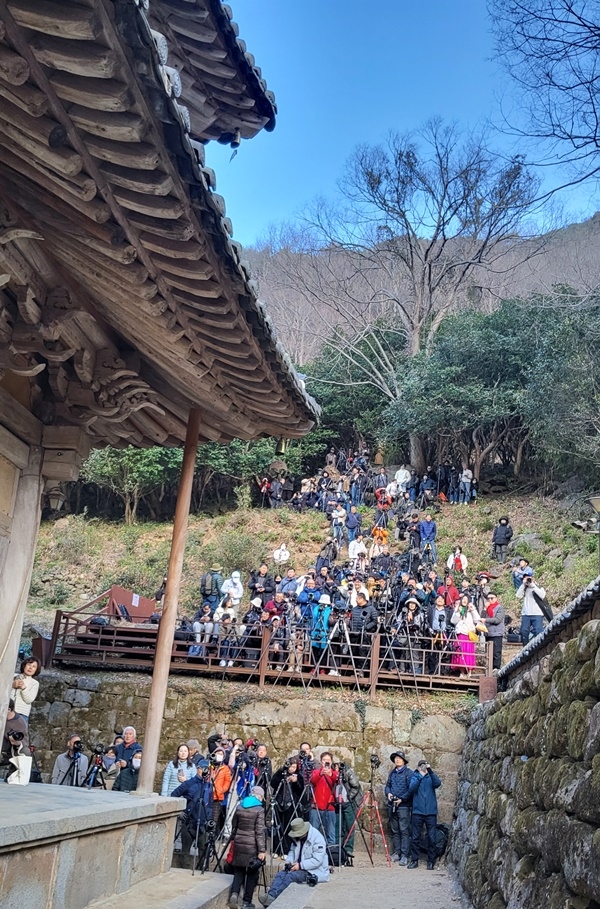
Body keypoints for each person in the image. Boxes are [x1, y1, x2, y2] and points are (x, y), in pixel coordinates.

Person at [259, 818, 329, 907]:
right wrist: (289, 862)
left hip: (313, 870)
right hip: (298, 866)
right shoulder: (297, 838)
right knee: (281, 874)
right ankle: (271, 896)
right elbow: (292, 852)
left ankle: (273, 898)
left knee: (291, 876)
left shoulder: (317, 838)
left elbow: (317, 861)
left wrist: (300, 865)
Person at [228, 785, 267, 909]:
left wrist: (233, 839)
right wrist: (261, 850)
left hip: (239, 843)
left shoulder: (240, 806)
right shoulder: (259, 810)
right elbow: (259, 832)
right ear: (260, 796)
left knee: (238, 871)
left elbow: (234, 825)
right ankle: (246, 902)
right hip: (252, 846)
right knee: (252, 873)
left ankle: (234, 894)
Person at [171, 758, 212, 865]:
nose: (205, 771)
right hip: (188, 822)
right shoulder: (188, 783)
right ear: (197, 769)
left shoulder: (209, 786)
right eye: (202, 768)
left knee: (203, 851)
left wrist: (209, 819)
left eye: (207, 769)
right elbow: (173, 795)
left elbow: (210, 805)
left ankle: (202, 870)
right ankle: (183, 871)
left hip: (203, 824)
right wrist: (179, 812)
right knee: (185, 851)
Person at [407, 759, 442, 870]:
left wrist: (430, 771)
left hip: (431, 812)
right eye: (421, 766)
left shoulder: (431, 777)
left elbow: (438, 783)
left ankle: (431, 861)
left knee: (432, 838)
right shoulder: (415, 776)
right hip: (417, 812)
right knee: (415, 837)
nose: (423, 767)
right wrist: (420, 776)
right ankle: (414, 860)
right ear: (418, 767)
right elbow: (412, 788)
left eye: (425, 765)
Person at [271, 756, 305, 857]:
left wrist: (295, 782)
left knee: (288, 827)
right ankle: (276, 849)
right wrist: (281, 773)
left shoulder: (299, 776)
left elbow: (300, 790)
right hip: (279, 802)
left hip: (291, 804)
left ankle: (285, 850)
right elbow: (273, 783)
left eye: (294, 767)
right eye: (291, 766)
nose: (292, 769)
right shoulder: (281, 773)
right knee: (277, 826)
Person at [385, 751, 413, 865]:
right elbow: (388, 786)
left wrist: (402, 799)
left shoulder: (409, 773)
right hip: (392, 805)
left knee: (404, 830)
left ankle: (404, 855)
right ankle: (397, 852)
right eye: (396, 758)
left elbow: (411, 789)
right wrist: (388, 793)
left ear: (403, 761)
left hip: (404, 806)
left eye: (400, 758)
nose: (397, 760)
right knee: (395, 830)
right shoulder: (392, 773)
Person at [309, 751, 339, 845]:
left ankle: (331, 852)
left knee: (330, 834)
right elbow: (312, 780)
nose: (326, 761)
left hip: (330, 807)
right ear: (321, 761)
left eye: (328, 760)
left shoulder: (335, 773)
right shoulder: (316, 772)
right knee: (313, 833)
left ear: (331, 762)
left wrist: (331, 775)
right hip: (316, 807)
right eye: (324, 760)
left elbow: (338, 781)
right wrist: (320, 774)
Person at [450, 594, 481, 679]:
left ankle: (469, 671)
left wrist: (473, 610)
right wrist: (458, 612)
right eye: (463, 599)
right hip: (460, 633)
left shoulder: (471, 609)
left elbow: (477, 620)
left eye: (466, 599)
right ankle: (462, 672)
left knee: (469, 653)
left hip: (469, 634)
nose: (464, 601)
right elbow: (453, 621)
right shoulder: (458, 608)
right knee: (460, 653)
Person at [516, 572, 547, 643]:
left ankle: (539, 646)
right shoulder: (524, 587)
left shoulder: (538, 586)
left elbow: (542, 595)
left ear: (533, 578)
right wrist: (523, 585)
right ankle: (525, 647)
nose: (528, 579)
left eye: (529, 577)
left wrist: (533, 585)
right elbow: (518, 595)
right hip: (526, 614)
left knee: (538, 631)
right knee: (524, 631)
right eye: (525, 578)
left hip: (537, 613)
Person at [11, 656, 41, 724]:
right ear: (24, 665)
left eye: (34, 666)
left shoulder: (34, 683)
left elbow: (29, 700)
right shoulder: (13, 676)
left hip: (22, 713)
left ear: (36, 670)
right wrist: (12, 685)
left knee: (20, 730)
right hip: (7, 711)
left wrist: (24, 688)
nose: (30, 668)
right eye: (29, 665)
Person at [481, 593, 506, 670]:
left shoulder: (500, 608)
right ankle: (489, 669)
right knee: (488, 653)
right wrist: (484, 609)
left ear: (496, 598)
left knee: (496, 653)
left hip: (496, 634)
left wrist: (486, 620)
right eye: (488, 598)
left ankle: (496, 669)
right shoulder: (487, 608)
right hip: (488, 633)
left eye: (492, 598)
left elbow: (497, 620)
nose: (490, 600)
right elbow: (481, 618)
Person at [210, 746, 233, 830]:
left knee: (214, 819)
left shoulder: (225, 768)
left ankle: (212, 835)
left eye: (221, 754)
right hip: (207, 795)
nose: (219, 755)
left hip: (218, 796)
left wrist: (222, 790)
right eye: (217, 753)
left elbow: (227, 781)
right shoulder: (209, 765)